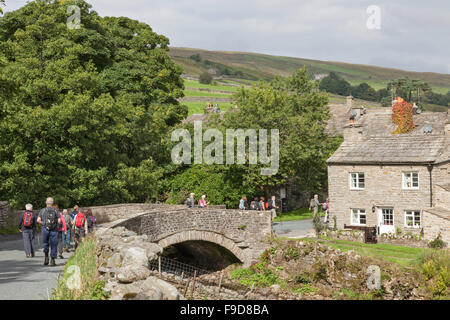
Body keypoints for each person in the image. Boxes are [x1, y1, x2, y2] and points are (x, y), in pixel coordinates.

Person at [37, 197, 61, 266]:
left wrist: (44, 223)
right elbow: (59, 220)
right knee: (54, 244)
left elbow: (38, 220)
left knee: (45, 243)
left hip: (45, 229)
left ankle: (46, 257)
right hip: (54, 230)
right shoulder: (56, 211)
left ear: (46, 203)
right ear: (52, 203)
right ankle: (52, 260)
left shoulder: (42, 210)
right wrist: (55, 224)